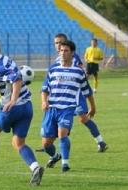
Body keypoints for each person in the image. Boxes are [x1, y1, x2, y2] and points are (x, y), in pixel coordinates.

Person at [0, 38, 44, 186]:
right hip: (27, 108)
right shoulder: (5, 60)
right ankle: (35, 167)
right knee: (18, 142)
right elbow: (10, 81)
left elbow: (17, 79)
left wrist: (12, 100)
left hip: (12, 108)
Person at [36, 34, 107, 157]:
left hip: (76, 95)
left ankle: (100, 141)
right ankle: (49, 144)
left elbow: (80, 74)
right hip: (60, 99)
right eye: (56, 43)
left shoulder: (74, 58)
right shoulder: (57, 60)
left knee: (83, 118)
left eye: (60, 43)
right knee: (67, 119)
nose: (58, 46)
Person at [41, 40, 96, 172]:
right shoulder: (53, 69)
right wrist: (44, 101)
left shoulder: (78, 71)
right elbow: (44, 89)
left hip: (68, 108)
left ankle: (65, 163)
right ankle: (55, 156)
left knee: (62, 134)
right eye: (61, 51)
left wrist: (93, 107)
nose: (63, 53)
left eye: (66, 51)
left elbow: (87, 91)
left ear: (72, 53)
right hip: (52, 108)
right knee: (46, 143)